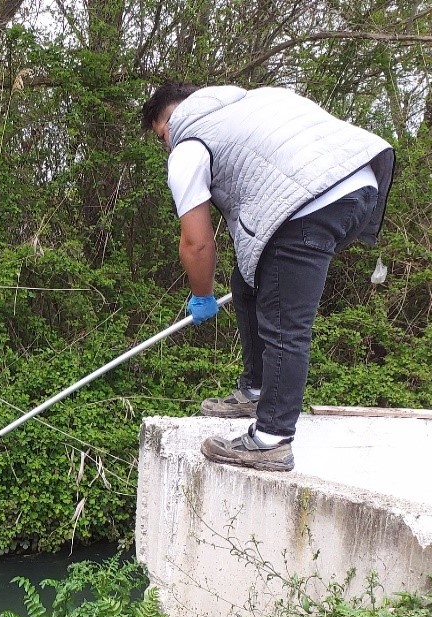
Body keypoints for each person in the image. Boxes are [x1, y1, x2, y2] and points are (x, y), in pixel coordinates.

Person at [142, 82, 395, 471]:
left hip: (307, 203)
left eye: (162, 135)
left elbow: (197, 243)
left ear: (172, 119)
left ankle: (272, 439)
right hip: (359, 189)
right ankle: (256, 389)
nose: (167, 145)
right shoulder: (254, 101)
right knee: (250, 278)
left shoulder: (189, 145)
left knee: (285, 323)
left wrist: (203, 294)